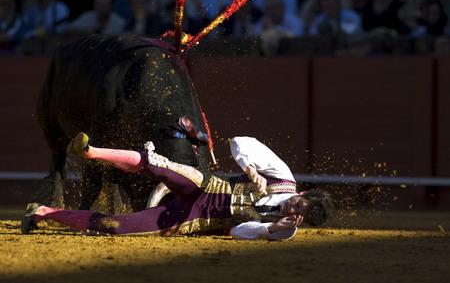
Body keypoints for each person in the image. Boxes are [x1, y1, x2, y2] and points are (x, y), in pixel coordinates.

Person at [21, 133, 333, 241]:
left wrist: (268, 229)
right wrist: (250, 168)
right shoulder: (283, 176)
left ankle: (44, 212)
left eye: (297, 212)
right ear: (303, 193)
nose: (292, 208)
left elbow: (238, 232)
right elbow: (240, 142)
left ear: (301, 219)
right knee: (158, 164)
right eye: (297, 202)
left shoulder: (284, 229)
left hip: (193, 219)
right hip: (206, 185)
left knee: (116, 227)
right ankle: (90, 151)